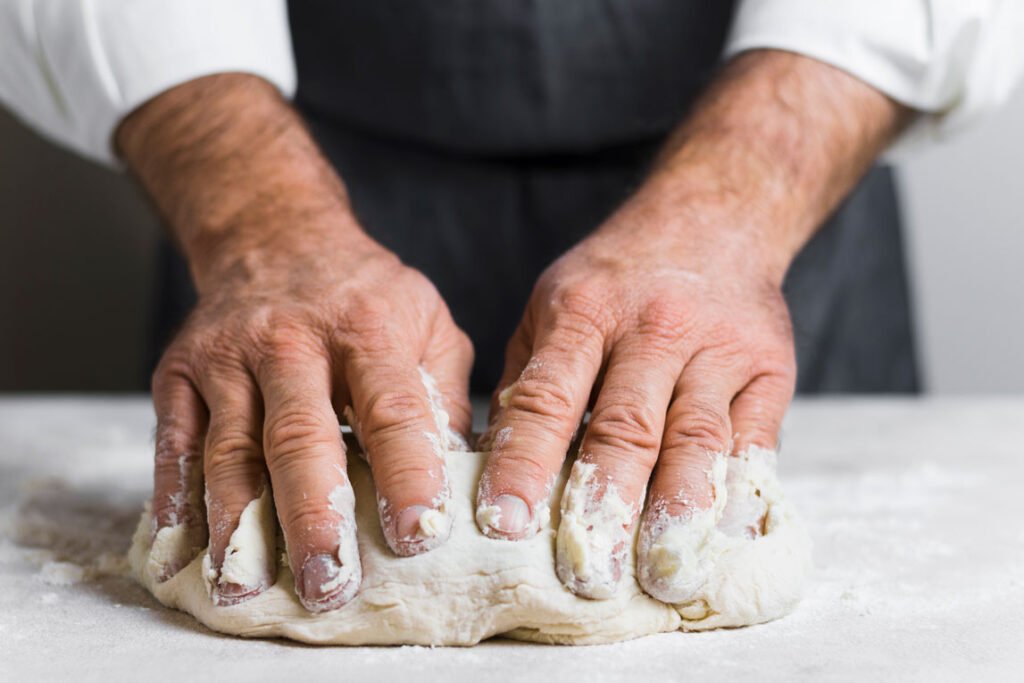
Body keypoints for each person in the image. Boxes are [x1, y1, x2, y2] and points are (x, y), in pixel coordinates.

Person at [2, 1, 1022, 611]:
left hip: (768, 190)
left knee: (699, 520)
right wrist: (254, 220)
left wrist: (731, 207)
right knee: (271, 519)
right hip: (288, 180)